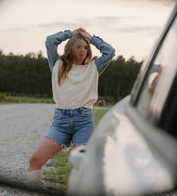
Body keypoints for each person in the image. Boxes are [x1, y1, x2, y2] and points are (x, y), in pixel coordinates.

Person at [27, 27, 115, 186]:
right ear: (70, 48)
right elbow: (50, 41)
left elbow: (110, 52)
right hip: (61, 122)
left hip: (84, 122)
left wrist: (90, 38)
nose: (83, 50)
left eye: (86, 47)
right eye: (79, 46)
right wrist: (71, 33)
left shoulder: (94, 68)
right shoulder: (57, 65)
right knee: (35, 160)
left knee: (79, 168)